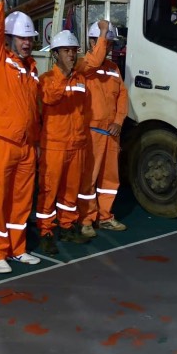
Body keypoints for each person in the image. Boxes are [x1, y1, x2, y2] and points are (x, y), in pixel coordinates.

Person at [0, 0, 42, 274]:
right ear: (10, 39)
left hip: (26, 147)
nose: (27, 43)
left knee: (20, 201)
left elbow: (35, 110)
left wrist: (37, 143)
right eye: (22, 38)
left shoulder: (32, 70)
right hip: (2, 143)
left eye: (30, 39)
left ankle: (17, 248)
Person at [35, 26, 107, 255]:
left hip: (76, 145)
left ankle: (67, 225)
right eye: (65, 51)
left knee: (70, 191)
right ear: (55, 54)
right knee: (48, 191)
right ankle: (46, 231)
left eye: (73, 50)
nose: (71, 55)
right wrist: (64, 78)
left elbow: (84, 110)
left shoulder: (81, 79)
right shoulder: (46, 80)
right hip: (54, 145)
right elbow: (49, 98)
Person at [75, 22, 128, 237]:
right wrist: (104, 32)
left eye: (111, 43)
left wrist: (118, 121)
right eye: (106, 42)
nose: (109, 47)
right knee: (88, 178)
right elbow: (96, 59)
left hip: (111, 134)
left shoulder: (113, 69)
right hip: (92, 133)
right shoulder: (84, 66)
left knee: (109, 180)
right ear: (93, 42)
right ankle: (86, 219)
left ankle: (105, 216)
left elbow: (123, 96)